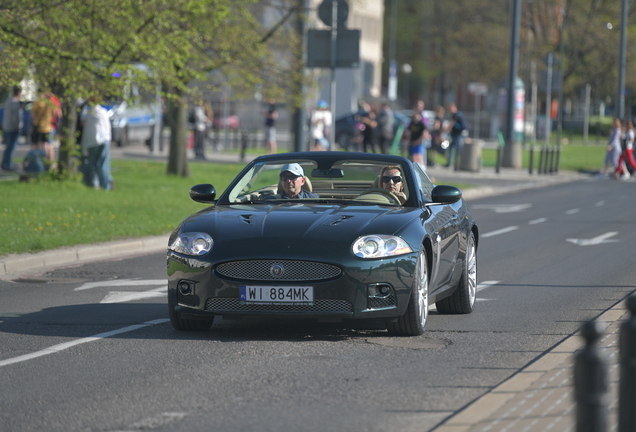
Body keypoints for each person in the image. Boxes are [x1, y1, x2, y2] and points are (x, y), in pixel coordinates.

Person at [80, 95, 112, 190]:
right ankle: (105, 185)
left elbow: (82, 123)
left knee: (92, 163)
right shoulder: (103, 111)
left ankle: (94, 183)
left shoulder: (87, 111)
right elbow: (107, 126)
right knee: (103, 164)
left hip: (91, 141)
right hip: (104, 139)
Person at [30, 90, 58, 168]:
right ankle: (48, 162)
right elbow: (56, 113)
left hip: (37, 125)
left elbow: (32, 113)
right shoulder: (51, 102)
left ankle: (34, 161)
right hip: (47, 126)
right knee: (47, 145)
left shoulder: (38, 101)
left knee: (34, 144)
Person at [1, 85, 23, 171]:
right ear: (19, 93)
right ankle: (8, 164)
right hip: (13, 128)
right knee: (11, 147)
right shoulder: (15, 103)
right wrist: (18, 126)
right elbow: (15, 118)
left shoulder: (8, 101)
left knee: (8, 147)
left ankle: (5, 163)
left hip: (6, 127)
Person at [446, 102, 468, 169]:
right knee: (452, 148)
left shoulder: (457, 114)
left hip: (458, 134)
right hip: (454, 134)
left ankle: (457, 164)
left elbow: (451, 124)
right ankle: (450, 163)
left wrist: (446, 129)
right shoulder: (454, 114)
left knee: (458, 149)